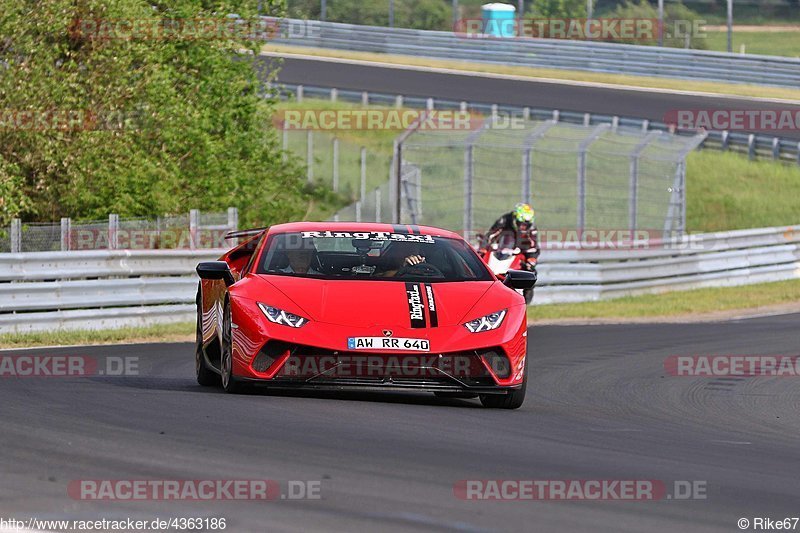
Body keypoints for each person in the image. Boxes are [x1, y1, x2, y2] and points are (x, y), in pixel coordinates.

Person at [485, 202, 539, 270]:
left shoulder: (532, 229)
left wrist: (531, 258)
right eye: (521, 224)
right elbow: (490, 235)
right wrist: (484, 247)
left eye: (526, 225)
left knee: (531, 268)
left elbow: (533, 247)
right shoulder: (505, 220)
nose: (523, 227)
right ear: (515, 218)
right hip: (501, 251)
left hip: (519, 252)